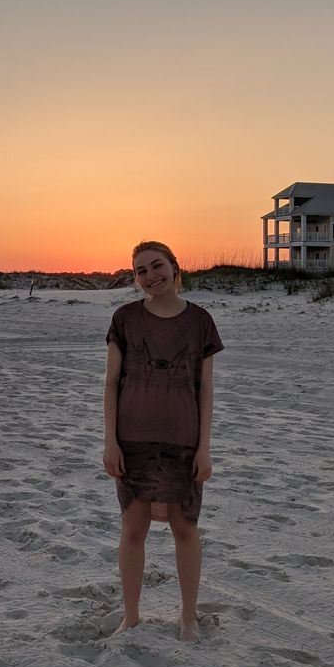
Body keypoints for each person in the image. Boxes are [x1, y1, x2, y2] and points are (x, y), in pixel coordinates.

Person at [103, 240, 223, 642]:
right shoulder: (124, 318)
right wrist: (110, 442)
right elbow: (111, 384)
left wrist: (204, 448)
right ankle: (131, 616)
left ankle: (188, 617)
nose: (150, 276)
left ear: (174, 267)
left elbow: (205, 388)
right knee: (133, 529)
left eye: (157, 266)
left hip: (183, 439)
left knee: (185, 528)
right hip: (132, 440)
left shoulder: (200, 321)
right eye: (141, 271)